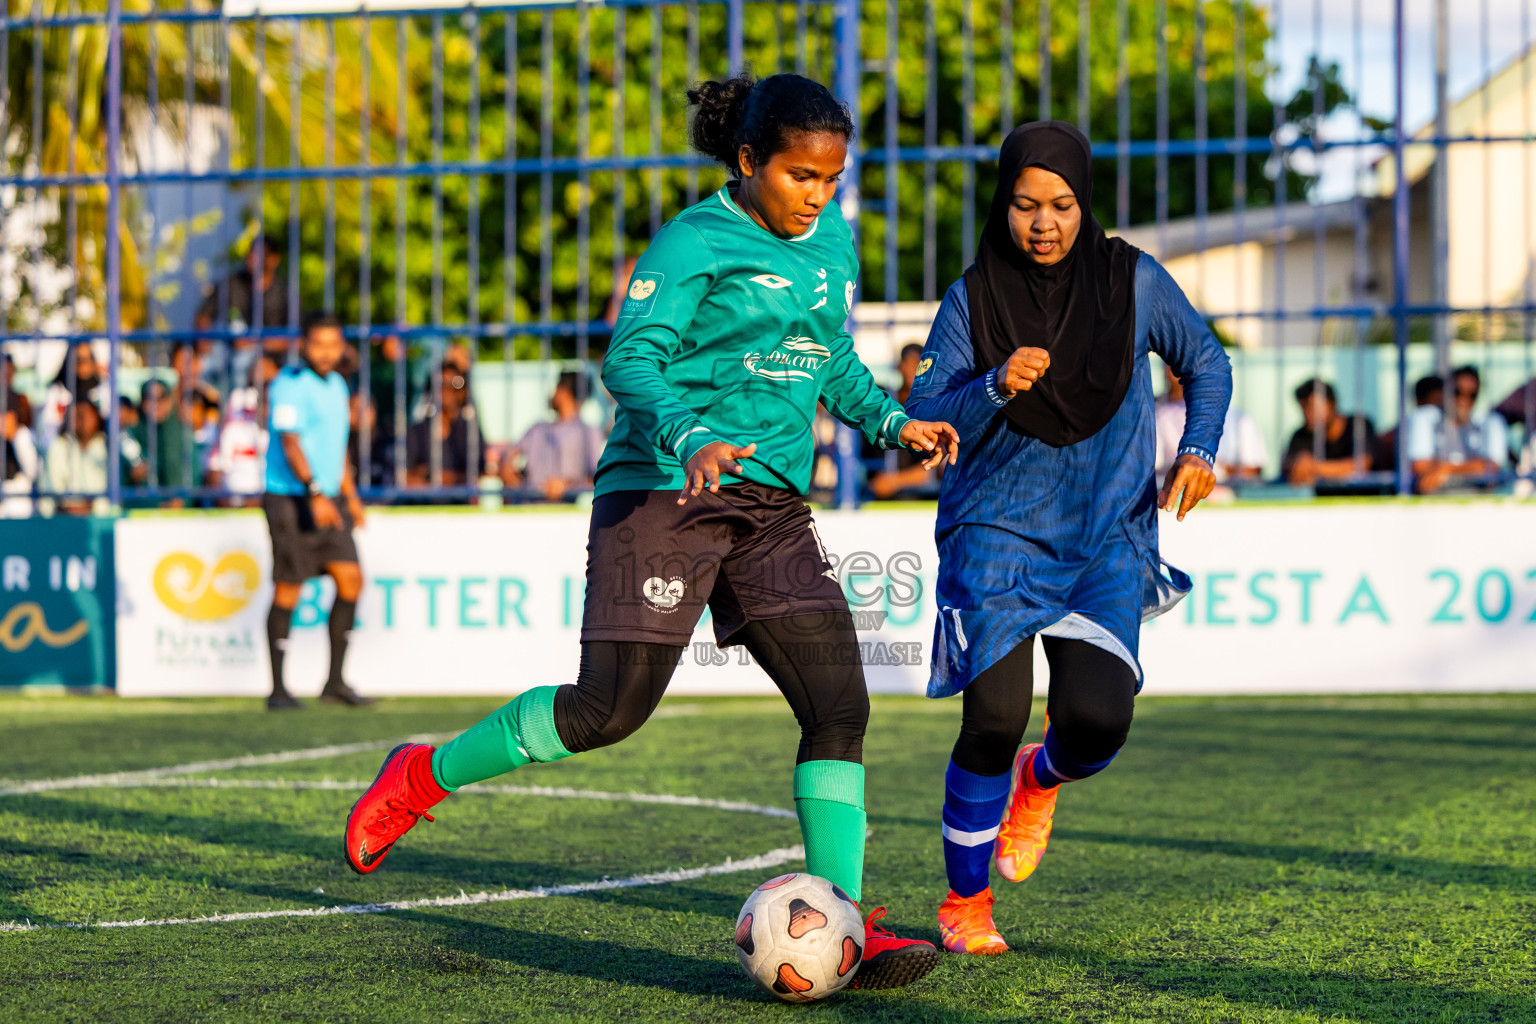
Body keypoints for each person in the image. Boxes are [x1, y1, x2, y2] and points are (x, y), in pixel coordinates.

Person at [341, 72, 959, 990]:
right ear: (749, 162)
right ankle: (422, 775)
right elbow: (629, 360)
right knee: (607, 713)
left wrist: (889, 422)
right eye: (799, 177)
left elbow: (827, 357)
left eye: (831, 180)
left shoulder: (830, 240)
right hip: (665, 491)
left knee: (840, 707)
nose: (817, 197)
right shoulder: (692, 241)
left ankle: (842, 923)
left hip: (771, 506)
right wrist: (695, 433)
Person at [903, 122, 1231, 956]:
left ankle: (1039, 781)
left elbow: (1207, 363)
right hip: (997, 530)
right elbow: (925, 411)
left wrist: (1197, 449)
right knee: (994, 715)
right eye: (1023, 205)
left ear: (1085, 204)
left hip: (1103, 537)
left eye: (1060, 204)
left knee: (1096, 721)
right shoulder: (972, 298)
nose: (1041, 223)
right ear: (1002, 205)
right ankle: (964, 904)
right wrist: (990, 383)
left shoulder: (1136, 282)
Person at [261, 313, 373, 711]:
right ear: (304, 344)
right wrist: (314, 493)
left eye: (333, 344)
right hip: (292, 499)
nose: (327, 352)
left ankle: (334, 682)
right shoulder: (289, 384)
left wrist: (351, 496)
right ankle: (277, 689)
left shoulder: (339, 384)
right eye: (318, 344)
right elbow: (290, 443)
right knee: (289, 588)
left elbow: (336, 446)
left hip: (329, 498)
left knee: (351, 581)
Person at [194, 230, 295, 387]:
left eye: (260, 254)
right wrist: (204, 343)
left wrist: (254, 343)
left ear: (274, 259)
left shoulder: (286, 292)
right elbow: (203, 316)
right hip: (227, 351)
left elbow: (296, 338)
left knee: (251, 365)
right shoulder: (232, 284)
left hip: (272, 356)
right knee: (190, 363)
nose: (253, 259)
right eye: (251, 253)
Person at [1155, 362, 1266, 486]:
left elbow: (1255, 468)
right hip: (1175, 491)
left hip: (1228, 494)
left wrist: (1219, 469)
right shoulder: (1159, 414)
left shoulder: (1238, 418)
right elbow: (1154, 468)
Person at [1405, 365, 1508, 493]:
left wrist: (1446, 468)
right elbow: (1420, 465)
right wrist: (1471, 467)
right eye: (1457, 392)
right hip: (1434, 502)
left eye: (1472, 395)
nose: (1463, 400)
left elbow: (1491, 467)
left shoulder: (1490, 422)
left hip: (1478, 503)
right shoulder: (1425, 417)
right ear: (1446, 391)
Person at [505, 370, 606, 502]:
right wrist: (506, 465)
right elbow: (511, 454)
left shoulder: (588, 432)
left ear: (563, 391)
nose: (552, 394)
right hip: (528, 506)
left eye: (556, 387)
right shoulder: (538, 428)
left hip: (562, 510)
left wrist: (567, 485)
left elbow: (595, 476)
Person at [866, 344, 941, 500]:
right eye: (907, 362)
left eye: (917, 364)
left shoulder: (934, 406)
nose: (910, 369)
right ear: (899, 366)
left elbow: (937, 467)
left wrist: (894, 481)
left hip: (919, 495)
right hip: (874, 488)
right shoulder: (885, 398)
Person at [1281, 379, 1377, 486]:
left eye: (1313, 407)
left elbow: (1363, 464)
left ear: (1332, 403)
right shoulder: (1301, 435)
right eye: (1304, 409)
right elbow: (1291, 468)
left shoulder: (1358, 425)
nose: (1308, 415)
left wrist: (1314, 467)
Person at [404, 364, 477, 489]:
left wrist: (432, 477)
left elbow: (478, 477)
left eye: (455, 384)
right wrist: (455, 479)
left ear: (463, 392)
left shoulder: (469, 431)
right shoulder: (416, 432)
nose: (446, 391)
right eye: (441, 384)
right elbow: (404, 480)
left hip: (461, 506)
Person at [35, 341, 106, 452]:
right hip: (65, 448)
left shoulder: (103, 388)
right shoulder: (57, 390)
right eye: (78, 359)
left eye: (88, 359)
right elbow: (48, 430)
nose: (84, 365)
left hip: (96, 450)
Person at [1376, 374, 1443, 473]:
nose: (1439, 411)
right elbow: (1419, 466)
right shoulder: (1392, 438)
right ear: (1419, 401)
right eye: (1437, 403)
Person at [2, 395, 39, 518]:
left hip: (22, 505)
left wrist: (14, 437)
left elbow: (32, 472)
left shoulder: (23, 436)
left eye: (4, 416)